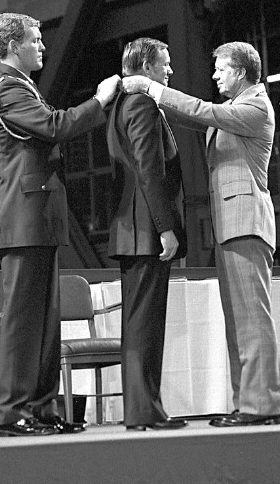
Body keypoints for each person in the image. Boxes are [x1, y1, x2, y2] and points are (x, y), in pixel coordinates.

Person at [122, 41, 280, 426]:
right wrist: (158, 105)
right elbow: (200, 119)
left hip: (246, 223)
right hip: (233, 225)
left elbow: (204, 111)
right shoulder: (236, 107)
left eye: (221, 69)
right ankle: (247, 401)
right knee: (239, 320)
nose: (214, 76)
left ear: (241, 72)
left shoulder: (255, 105)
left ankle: (261, 406)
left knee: (251, 320)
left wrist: (151, 89)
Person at [0, 12, 119, 437]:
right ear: (11, 46)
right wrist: (100, 100)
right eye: (35, 40)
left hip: (35, 216)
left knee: (45, 320)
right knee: (24, 320)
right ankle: (12, 412)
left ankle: (40, 407)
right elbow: (55, 126)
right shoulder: (7, 87)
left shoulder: (20, 85)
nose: (42, 46)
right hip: (22, 216)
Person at [107, 38, 187, 431]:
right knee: (144, 326)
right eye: (164, 64)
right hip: (144, 231)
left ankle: (144, 409)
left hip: (134, 229)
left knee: (142, 324)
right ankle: (143, 411)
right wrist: (165, 228)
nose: (169, 70)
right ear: (146, 67)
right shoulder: (140, 104)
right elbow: (149, 170)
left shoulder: (122, 103)